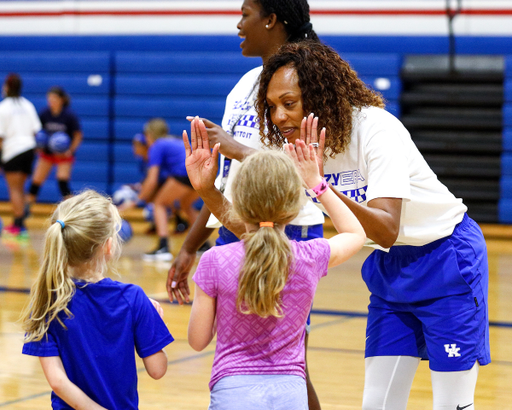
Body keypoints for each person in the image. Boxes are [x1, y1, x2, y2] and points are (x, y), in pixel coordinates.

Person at [255, 40, 490, 410]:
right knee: (378, 404)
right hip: (390, 267)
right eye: (272, 107)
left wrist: (319, 185)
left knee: (452, 405)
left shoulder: (376, 129)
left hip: (447, 258)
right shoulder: (298, 149)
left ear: (318, 96)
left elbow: (384, 228)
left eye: (289, 103)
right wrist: (207, 191)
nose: (279, 117)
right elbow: (264, 218)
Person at [167, 2, 325, 406]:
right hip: (232, 226)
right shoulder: (244, 85)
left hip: (290, 231)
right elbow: (223, 181)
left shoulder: (308, 81)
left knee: (291, 364)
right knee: (238, 356)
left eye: (245, 13)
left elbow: (302, 166)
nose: (238, 24)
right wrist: (190, 246)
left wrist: (236, 148)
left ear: (271, 19)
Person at [184, 118, 366, 409]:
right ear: (293, 209)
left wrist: (207, 189)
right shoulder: (309, 256)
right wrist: (316, 184)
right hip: (291, 393)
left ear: (239, 202)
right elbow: (356, 233)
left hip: (232, 392)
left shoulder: (214, 260)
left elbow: (197, 341)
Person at [20, 190, 174, 409]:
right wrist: (155, 322)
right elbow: (158, 370)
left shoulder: (48, 300)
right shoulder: (133, 298)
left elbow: (57, 382)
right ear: (108, 246)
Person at [122, 118, 199, 261]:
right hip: (201, 172)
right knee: (186, 204)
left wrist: (136, 202)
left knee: (159, 204)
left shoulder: (157, 145)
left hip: (185, 172)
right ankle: (202, 244)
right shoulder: (173, 140)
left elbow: (151, 180)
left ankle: (163, 247)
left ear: (149, 135)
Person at [27, 86, 82, 206]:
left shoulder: (69, 115)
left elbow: (78, 135)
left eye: (54, 98)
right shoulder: (44, 114)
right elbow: (36, 132)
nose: (51, 101)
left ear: (61, 100)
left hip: (63, 154)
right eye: (49, 99)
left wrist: (70, 150)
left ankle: (72, 211)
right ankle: (23, 214)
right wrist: (38, 146)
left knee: (62, 181)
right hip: (47, 152)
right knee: (36, 181)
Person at [0, 73, 41, 236]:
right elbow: (37, 131)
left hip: (12, 152)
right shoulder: (28, 105)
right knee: (20, 188)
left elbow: (0, 137)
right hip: (29, 150)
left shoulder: (3, 107)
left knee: (14, 189)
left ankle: (18, 225)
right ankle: (20, 222)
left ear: (7, 87)